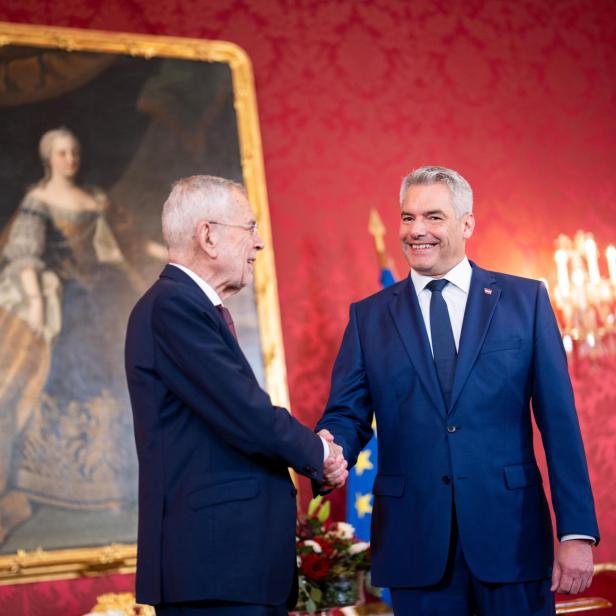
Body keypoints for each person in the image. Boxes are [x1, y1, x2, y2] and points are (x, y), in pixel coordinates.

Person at [316, 166, 599, 615]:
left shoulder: (525, 301)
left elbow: (559, 424)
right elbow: (347, 414)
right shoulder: (368, 318)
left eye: (434, 217)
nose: (417, 231)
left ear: (467, 223)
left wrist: (577, 532)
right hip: (416, 547)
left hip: (513, 539)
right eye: (408, 218)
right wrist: (330, 449)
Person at [125, 175, 347, 615]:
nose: (259, 243)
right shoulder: (173, 305)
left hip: (230, 568)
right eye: (250, 227)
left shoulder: (185, 305)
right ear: (208, 236)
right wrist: (318, 452)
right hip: (215, 570)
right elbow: (245, 413)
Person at [0, 127, 139, 541]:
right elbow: (24, 253)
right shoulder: (38, 202)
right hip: (67, 304)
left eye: (74, 151)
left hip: (99, 304)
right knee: (60, 379)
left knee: (113, 381)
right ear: (49, 158)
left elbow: (112, 246)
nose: (70, 159)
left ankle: (108, 484)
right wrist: (37, 302)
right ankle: (42, 481)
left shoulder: (93, 199)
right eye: (62, 153)